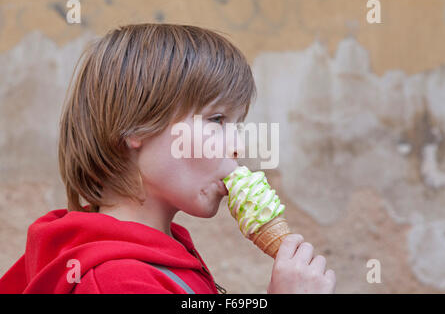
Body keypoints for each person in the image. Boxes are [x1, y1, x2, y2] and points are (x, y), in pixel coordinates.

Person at [0, 23, 336, 294]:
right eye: (217, 120)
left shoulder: (165, 252)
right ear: (137, 128)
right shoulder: (117, 281)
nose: (238, 147)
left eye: (238, 125)